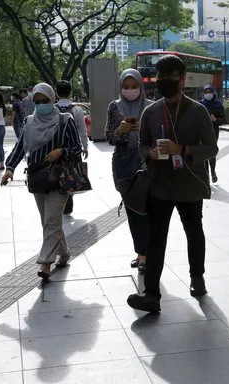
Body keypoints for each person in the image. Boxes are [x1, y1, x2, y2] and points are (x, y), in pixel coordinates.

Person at [126, 55, 218, 313]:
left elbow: (211, 148)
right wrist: (150, 153)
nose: (165, 81)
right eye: (161, 76)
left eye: (171, 76)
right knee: (156, 237)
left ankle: (197, 277)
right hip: (159, 184)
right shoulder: (151, 112)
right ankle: (151, 294)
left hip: (189, 184)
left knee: (193, 231)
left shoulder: (199, 111)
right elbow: (142, 145)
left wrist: (183, 149)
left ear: (182, 78)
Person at [0, 83, 83, 279]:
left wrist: (61, 151)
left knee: (51, 221)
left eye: (45, 101)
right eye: (37, 102)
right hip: (37, 178)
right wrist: (9, 169)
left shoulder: (65, 120)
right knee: (49, 221)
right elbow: (20, 148)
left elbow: (77, 148)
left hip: (59, 178)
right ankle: (63, 253)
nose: (41, 105)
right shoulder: (29, 122)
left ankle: (46, 262)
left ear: (53, 99)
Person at [105, 68, 153, 275]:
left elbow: (157, 138)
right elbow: (109, 137)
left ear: (141, 87)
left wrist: (143, 130)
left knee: (148, 212)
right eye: (126, 87)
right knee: (133, 212)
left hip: (148, 165)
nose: (130, 90)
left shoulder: (151, 107)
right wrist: (120, 131)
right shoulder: (114, 107)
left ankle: (148, 254)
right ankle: (141, 253)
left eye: (134, 87)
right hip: (124, 165)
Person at [55, 80, 89, 215]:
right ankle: (68, 201)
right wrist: (85, 147)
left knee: (57, 175)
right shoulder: (77, 109)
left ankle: (59, 203)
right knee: (71, 175)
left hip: (55, 150)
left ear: (56, 93)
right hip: (73, 150)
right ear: (70, 92)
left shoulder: (53, 109)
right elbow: (82, 130)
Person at [199, 84, 225, 183]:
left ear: (213, 93)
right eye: (206, 92)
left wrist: (215, 120)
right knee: (204, 153)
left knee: (212, 151)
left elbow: (223, 120)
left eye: (210, 92)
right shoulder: (200, 104)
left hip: (213, 131)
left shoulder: (218, 105)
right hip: (201, 132)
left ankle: (213, 172)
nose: (208, 94)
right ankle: (206, 174)